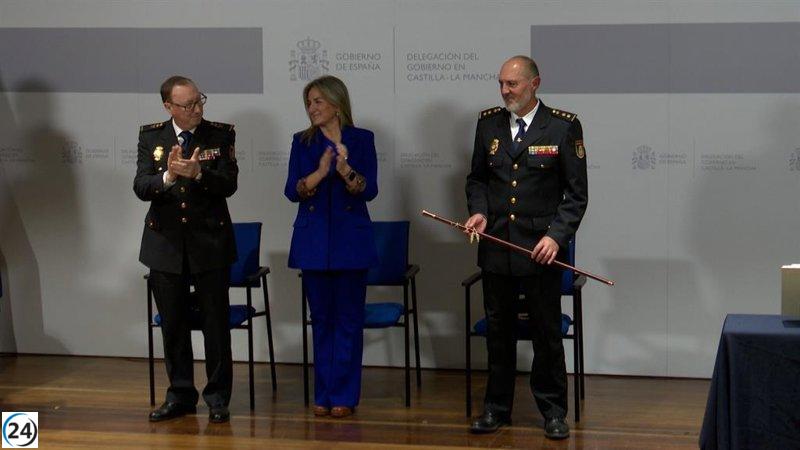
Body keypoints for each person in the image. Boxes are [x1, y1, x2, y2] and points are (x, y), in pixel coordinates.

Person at [464, 55, 588, 440]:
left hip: (541, 251)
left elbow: (576, 196)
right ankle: (495, 408)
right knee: (498, 333)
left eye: (512, 84)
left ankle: (553, 411)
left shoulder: (563, 127)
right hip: (497, 248)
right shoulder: (488, 124)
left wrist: (555, 237)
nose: (504, 91)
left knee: (546, 334)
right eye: (501, 84)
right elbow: (477, 181)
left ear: (535, 83)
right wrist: (479, 213)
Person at [134, 75, 238, 423]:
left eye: (199, 101)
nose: (197, 109)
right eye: (188, 104)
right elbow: (141, 185)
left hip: (209, 243)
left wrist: (198, 174)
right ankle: (180, 395)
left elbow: (229, 183)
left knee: (215, 324)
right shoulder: (151, 136)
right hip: (165, 245)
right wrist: (168, 177)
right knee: (173, 325)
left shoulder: (220, 134)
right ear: (169, 107)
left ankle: (218, 398)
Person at [285, 75, 378, 419]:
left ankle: (344, 395)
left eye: (318, 102)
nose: (312, 108)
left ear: (337, 104)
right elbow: (292, 191)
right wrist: (321, 172)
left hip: (351, 242)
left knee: (349, 321)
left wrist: (344, 169)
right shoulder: (302, 142)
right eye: (309, 102)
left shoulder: (362, 139)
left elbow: (369, 190)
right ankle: (322, 394)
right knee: (322, 320)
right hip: (313, 242)